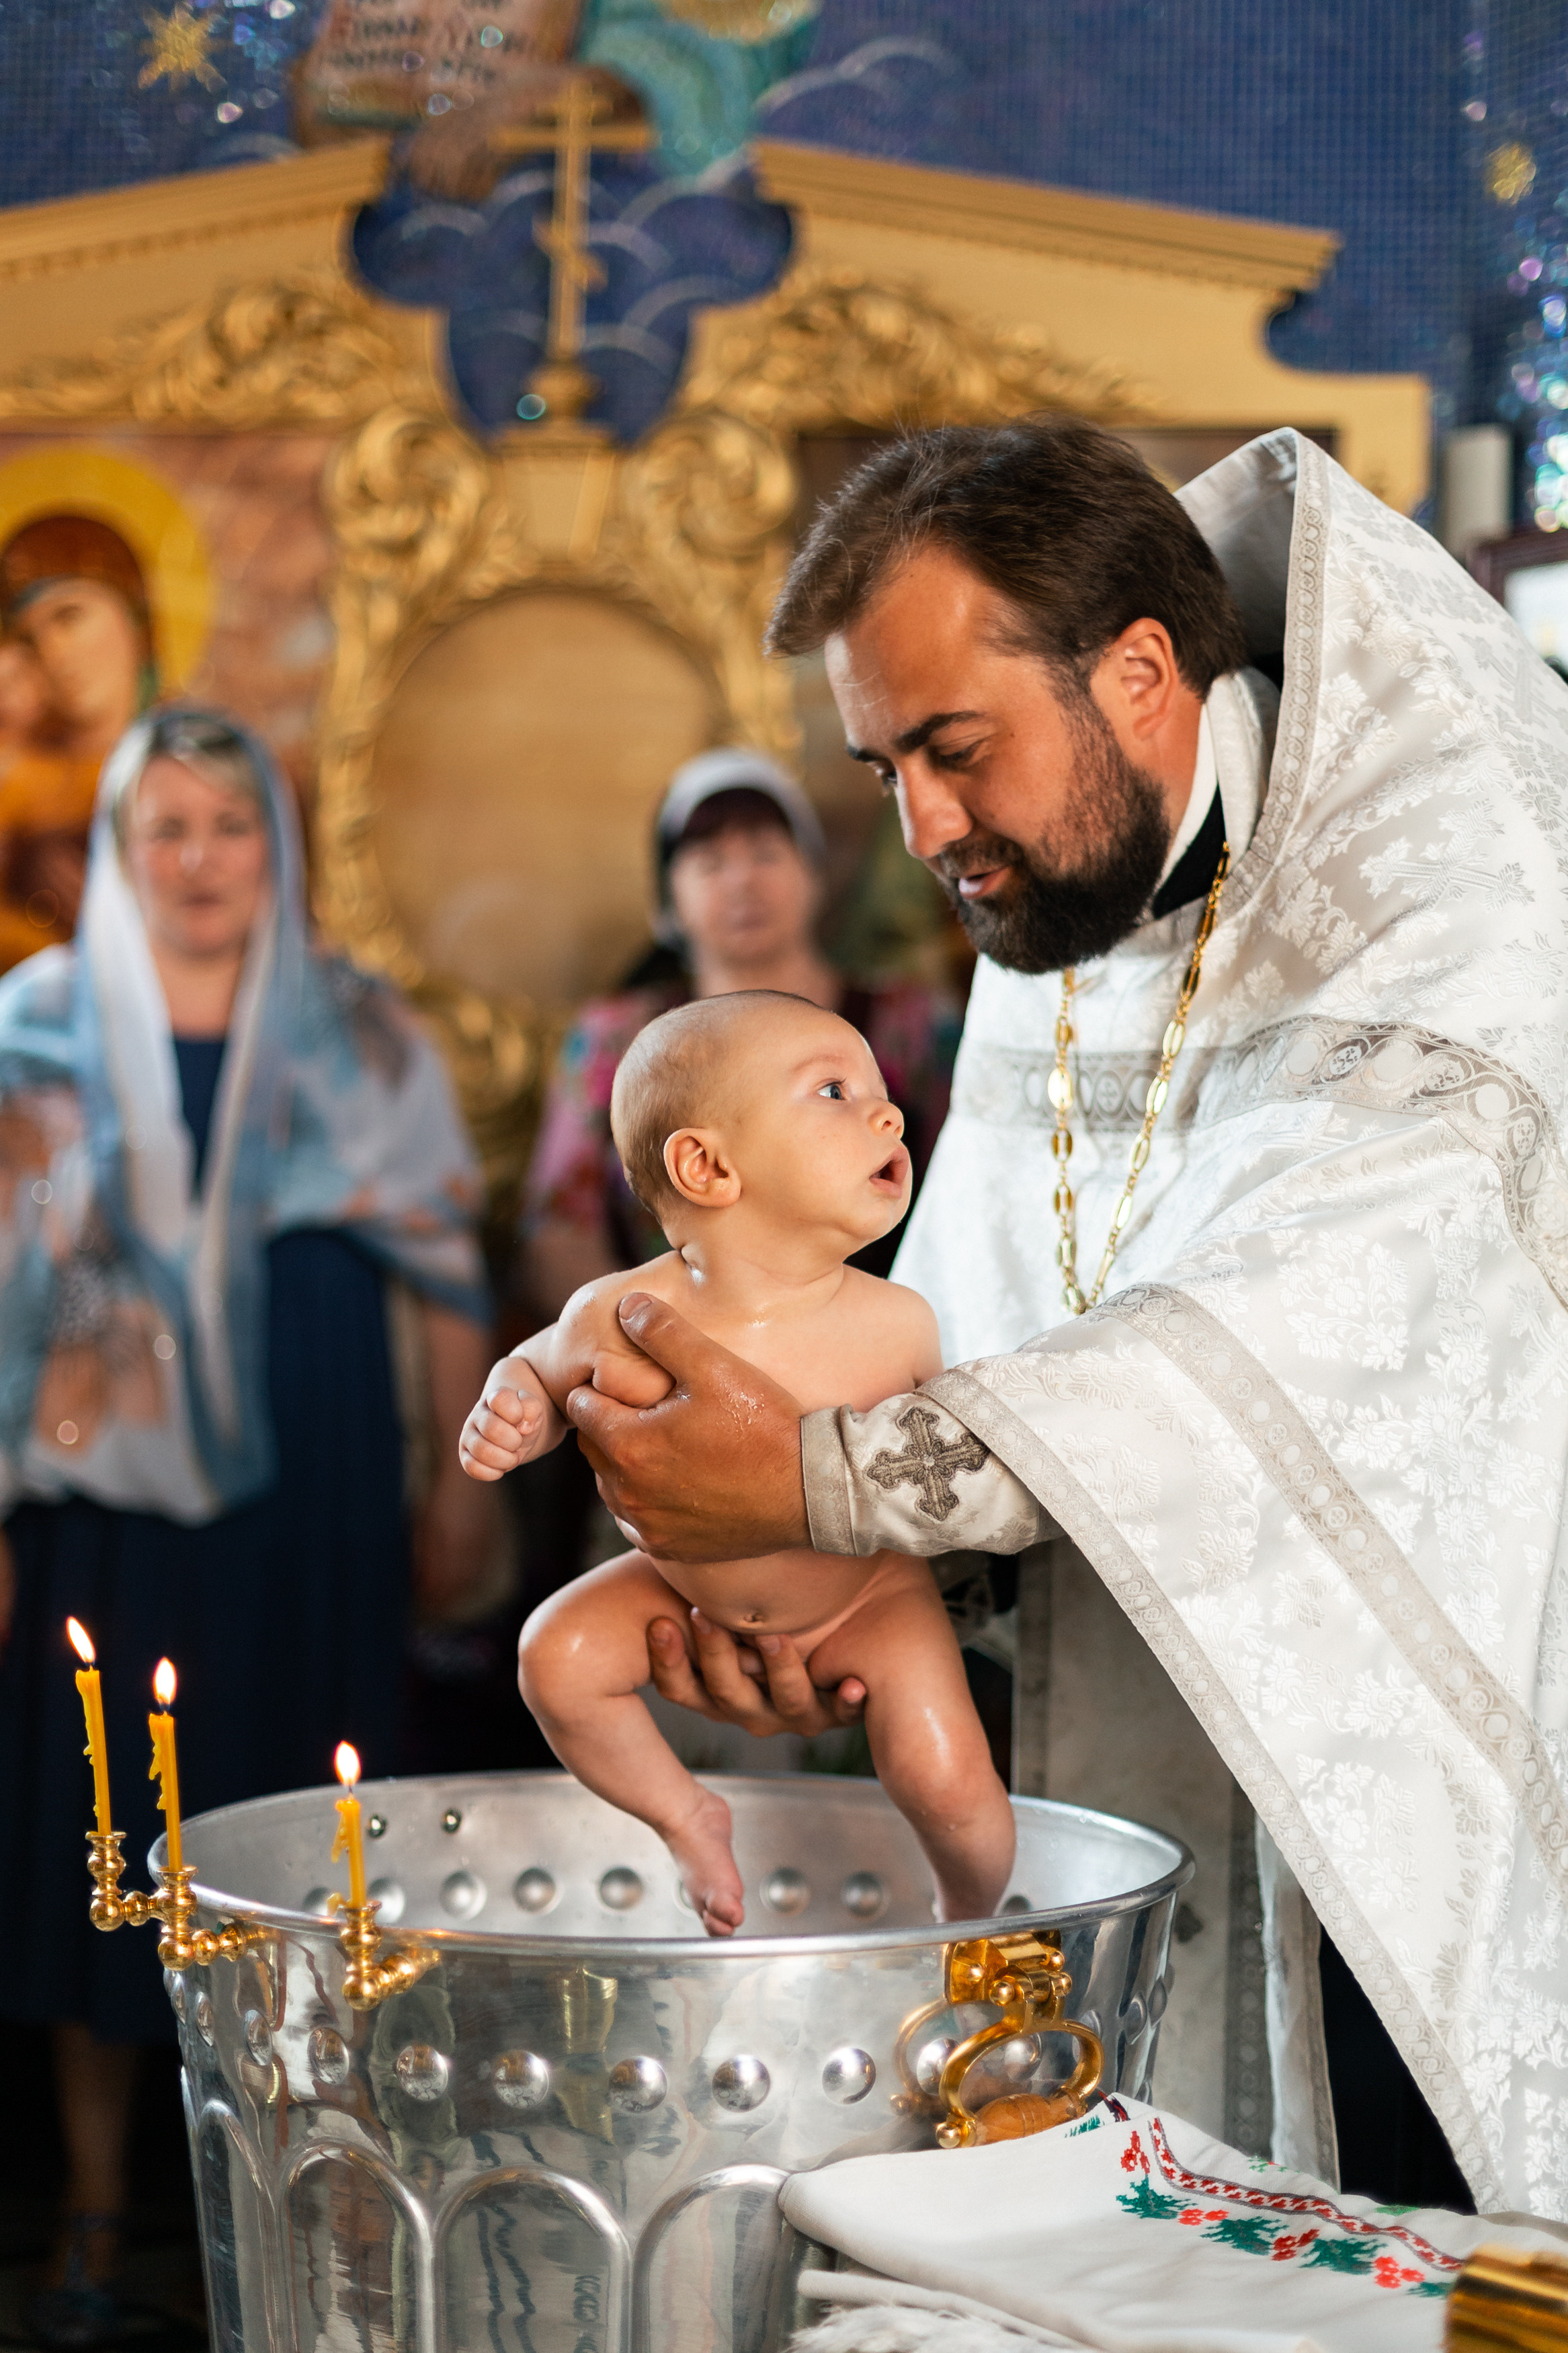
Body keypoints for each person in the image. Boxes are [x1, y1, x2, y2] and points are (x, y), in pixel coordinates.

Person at [548, 420, 1568, 2223]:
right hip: (1149, 1733)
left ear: (1141, 673)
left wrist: (815, 1477)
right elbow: (996, 1305)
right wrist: (829, 1598)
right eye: (884, 765)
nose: (923, 827)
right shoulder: (1066, 887)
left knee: (1418, 2260)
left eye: (951, 751)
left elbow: (1310, 1321)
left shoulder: (1446, 857)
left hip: (1423, 1763)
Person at [0, 708, 497, 2343]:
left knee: (306, 1827)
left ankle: (324, 2193)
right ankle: (90, 2203)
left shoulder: (360, 1033)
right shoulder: (34, 1031)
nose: (202, 860)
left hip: (322, 1480)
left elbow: (436, 1268)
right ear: (119, 851)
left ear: (274, 848)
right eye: (169, 828)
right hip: (108, 1496)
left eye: (233, 826)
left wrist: (456, 1486)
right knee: (99, 1832)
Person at [461, 992, 1014, 1933]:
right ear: (707, 1166)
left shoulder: (897, 1322)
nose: (886, 1115)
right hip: (684, 1593)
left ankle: (965, 1906)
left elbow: (957, 1484)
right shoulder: (619, 1312)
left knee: (945, 1777)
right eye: (835, 1092)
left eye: (882, 1094)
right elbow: (545, 1375)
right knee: (554, 1657)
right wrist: (515, 1409)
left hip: (867, 1600)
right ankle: (686, 1816)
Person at [513, 747, 960, 1608]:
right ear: (666, 895)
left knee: (858, 1624)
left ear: (811, 871)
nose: (740, 881)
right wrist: (649, 1353)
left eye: (765, 851)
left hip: (852, 1396)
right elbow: (557, 1219)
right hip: (661, 1386)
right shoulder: (618, 1040)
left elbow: (962, 1195)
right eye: (708, 861)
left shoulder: (902, 1021)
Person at [0, 516, 153, 973]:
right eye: (31, 638)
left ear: (133, 614)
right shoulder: (19, 781)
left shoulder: (194, 762)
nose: (53, 652)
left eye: (69, 616)